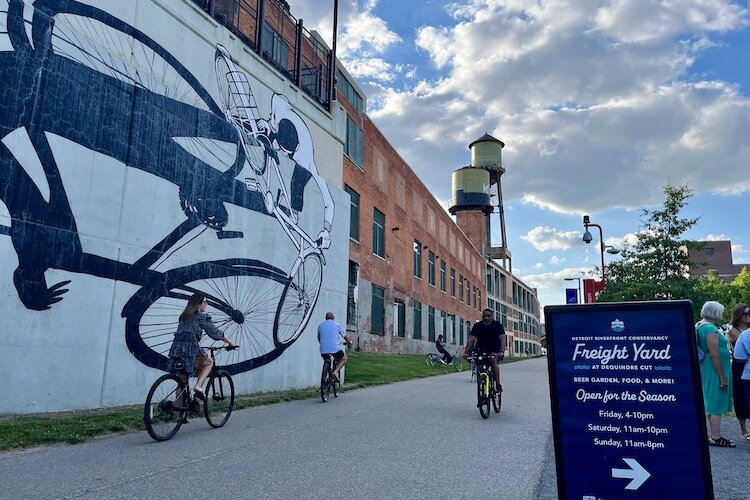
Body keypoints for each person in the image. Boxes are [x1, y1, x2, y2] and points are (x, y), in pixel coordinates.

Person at [168, 293, 237, 400]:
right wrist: (230, 343)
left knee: (181, 381)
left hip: (176, 350)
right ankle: (198, 386)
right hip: (191, 349)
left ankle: (179, 410)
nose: (207, 304)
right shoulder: (201, 317)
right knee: (209, 362)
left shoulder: (183, 317)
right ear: (198, 304)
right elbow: (215, 333)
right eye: (205, 302)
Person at [696, 301, 735, 447]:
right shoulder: (710, 329)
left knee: (710, 400)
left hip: (705, 367)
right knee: (715, 401)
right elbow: (714, 354)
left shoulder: (699, 325)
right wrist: (722, 376)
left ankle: (714, 434)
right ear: (715, 312)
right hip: (713, 369)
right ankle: (716, 437)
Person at [464, 309, 506, 393]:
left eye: (488, 316)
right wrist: (466, 352)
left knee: (492, 361)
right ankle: (481, 389)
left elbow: (502, 339)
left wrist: (501, 351)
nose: (486, 318)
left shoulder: (497, 326)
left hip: (495, 349)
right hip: (481, 349)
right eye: (484, 316)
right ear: (482, 316)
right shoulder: (477, 326)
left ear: (492, 317)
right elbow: (471, 339)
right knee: (479, 363)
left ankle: (498, 384)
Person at [728, 304, 750, 440]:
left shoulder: (745, 334)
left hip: (744, 366)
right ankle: (744, 429)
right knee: (741, 399)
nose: (747, 316)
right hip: (740, 369)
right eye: (745, 314)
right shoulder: (734, 330)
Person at [317, 312, 352, 381]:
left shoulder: (320, 326)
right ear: (333, 318)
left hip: (323, 351)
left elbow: (319, 338)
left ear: (325, 318)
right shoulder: (337, 325)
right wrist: (349, 343)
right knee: (344, 358)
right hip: (335, 350)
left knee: (327, 359)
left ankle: (326, 378)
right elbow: (344, 337)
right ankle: (335, 372)